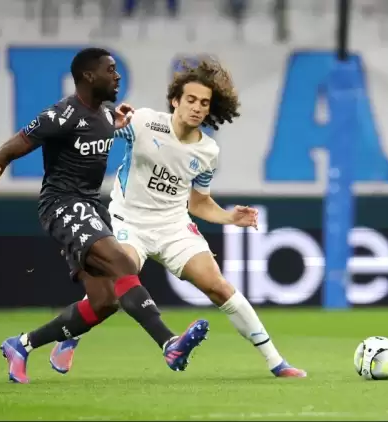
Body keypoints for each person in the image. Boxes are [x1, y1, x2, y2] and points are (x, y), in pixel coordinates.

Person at [0, 48, 209, 384]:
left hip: (91, 207)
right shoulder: (60, 116)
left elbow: (104, 127)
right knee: (123, 265)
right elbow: (4, 154)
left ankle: (21, 345)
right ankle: (169, 343)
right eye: (110, 70)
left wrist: (117, 121)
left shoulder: (106, 114)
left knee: (105, 301)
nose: (117, 76)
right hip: (62, 204)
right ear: (89, 76)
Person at [50, 58, 307, 378]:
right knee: (115, 285)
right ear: (175, 100)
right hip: (129, 221)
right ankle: (69, 336)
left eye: (204, 103)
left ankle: (276, 362)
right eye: (191, 100)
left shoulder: (208, 152)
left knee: (218, 287)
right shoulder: (143, 122)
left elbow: (198, 202)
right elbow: (96, 131)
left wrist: (230, 217)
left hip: (173, 227)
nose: (197, 108)